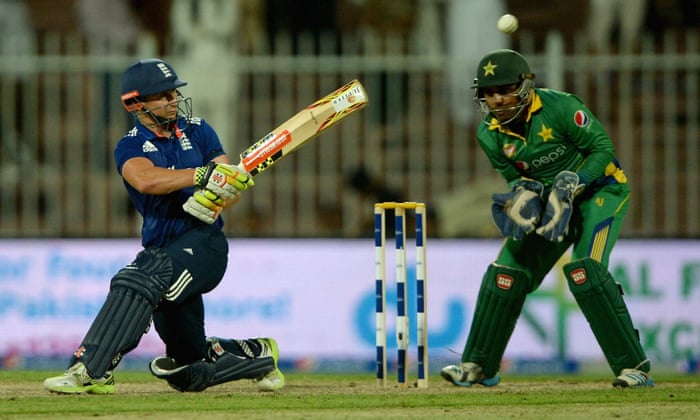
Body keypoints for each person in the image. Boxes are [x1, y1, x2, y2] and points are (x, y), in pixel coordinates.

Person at [43, 58, 284, 394]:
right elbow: (145, 180)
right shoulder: (129, 145)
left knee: (143, 273)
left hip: (204, 244)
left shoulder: (199, 130)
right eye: (163, 95)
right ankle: (257, 354)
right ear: (135, 103)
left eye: (174, 93)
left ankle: (91, 370)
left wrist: (219, 195)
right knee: (188, 369)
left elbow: (228, 185)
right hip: (163, 249)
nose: (173, 100)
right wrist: (200, 176)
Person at [440, 49, 653, 388]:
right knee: (506, 271)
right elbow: (515, 177)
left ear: (525, 87)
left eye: (505, 90)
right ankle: (478, 365)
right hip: (551, 202)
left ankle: (634, 367)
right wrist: (524, 197)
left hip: (601, 191)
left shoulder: (561, 107)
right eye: (489, 93)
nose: (497, 100)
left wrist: (576, 183)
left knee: (586, 270)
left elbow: (602, 149)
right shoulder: (489, 134)